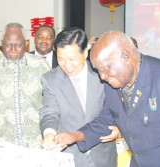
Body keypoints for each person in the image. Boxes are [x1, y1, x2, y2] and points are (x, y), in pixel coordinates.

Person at [54, 30, 160, 167]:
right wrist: (75, 136)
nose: (102, 76)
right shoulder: (113, 83)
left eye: (105, 69)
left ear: (126, 57)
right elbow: (107, 120)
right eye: (98, 70)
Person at [40, 27, 118, 167]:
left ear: (86, 52)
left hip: (103, 154)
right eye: (61, 59)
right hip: (70, 155)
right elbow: (49, 111)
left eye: (72, 59)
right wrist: (49, 133)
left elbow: (117, 106)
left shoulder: (102, 73)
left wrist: (119, 127)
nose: (67, 65)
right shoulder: (50, 80)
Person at [0, 23, 50, 148]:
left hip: (35, 143)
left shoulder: (41, 65)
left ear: (25, 43)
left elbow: (50, 103)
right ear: (1, 42)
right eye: (8, 45)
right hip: (1, 143)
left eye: (18, 46)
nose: (13, 50)